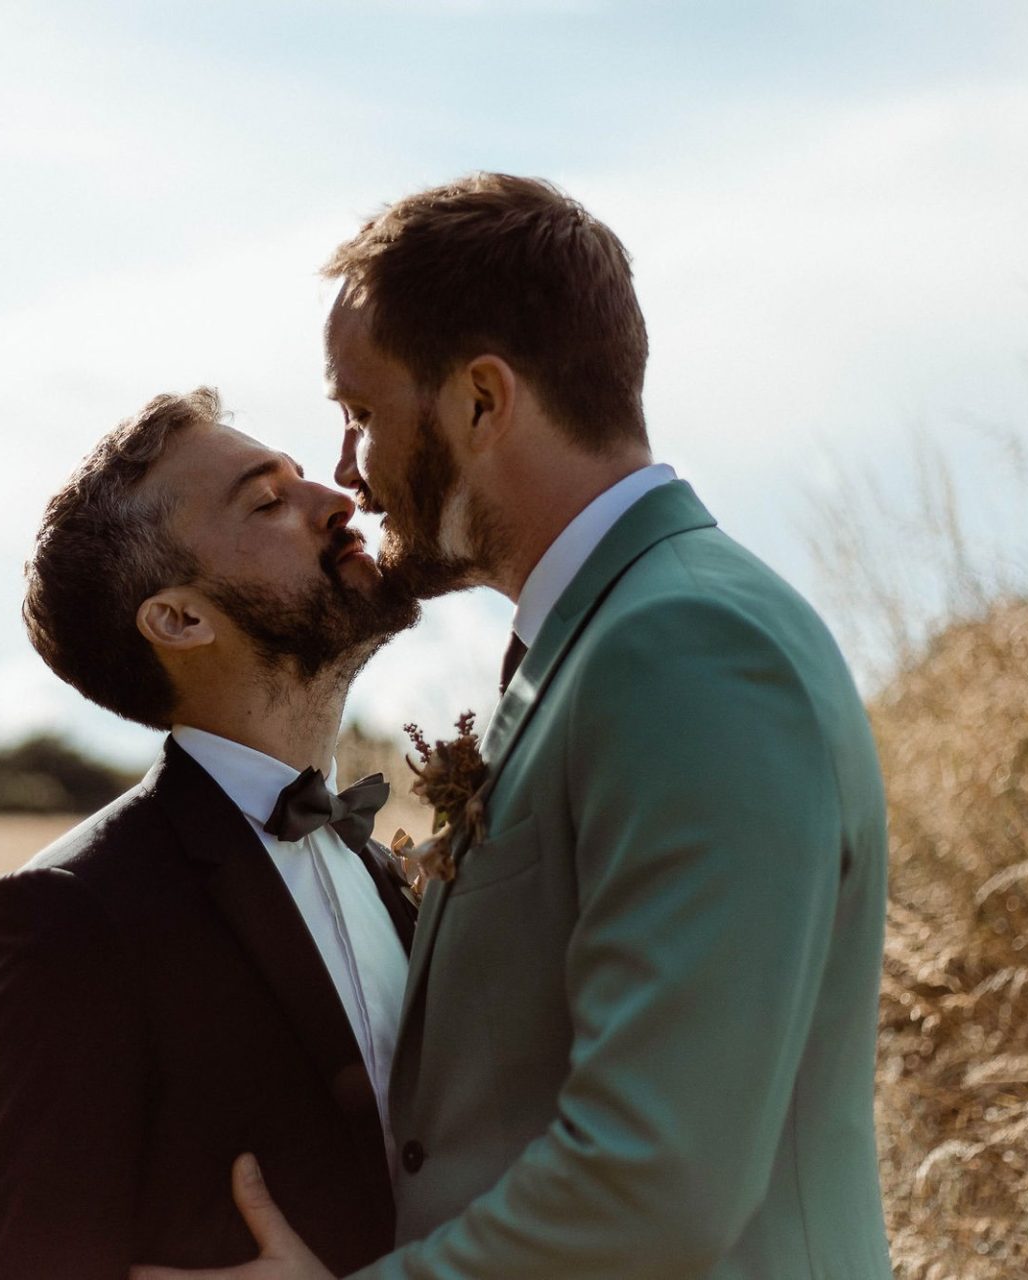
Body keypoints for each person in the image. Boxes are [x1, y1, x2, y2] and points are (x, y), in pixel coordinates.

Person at [137, 175, 893, 1278]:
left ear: (482, 401)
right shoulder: (606, 641)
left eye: (361, 414)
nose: (347, 473)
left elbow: (654, 1176)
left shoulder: (687, 649)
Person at [0, 388, 425, 1278]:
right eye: (266, 500)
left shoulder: (379, 866)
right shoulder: (70, 917)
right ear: (180, 618)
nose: (337, 498)